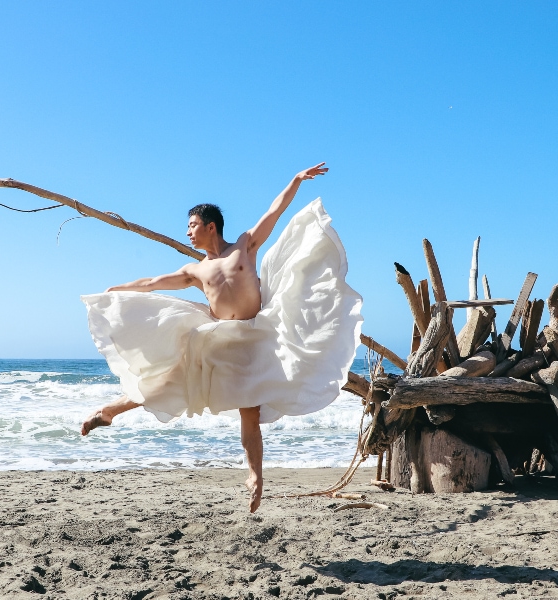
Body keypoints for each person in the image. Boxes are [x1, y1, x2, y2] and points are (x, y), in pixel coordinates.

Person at [79, 163, 363, 512]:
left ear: (210, 226)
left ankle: (255, 477)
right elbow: (153, 283)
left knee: (250, 413)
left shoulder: (244, 247)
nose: (188, 232)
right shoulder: (195, 269)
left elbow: (275, 212)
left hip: (253, 338)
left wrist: (296, 180)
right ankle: (107, 412)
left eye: (193, 226)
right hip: (216, 339)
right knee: (165, 383)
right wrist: (116, 290)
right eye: (187, 227)